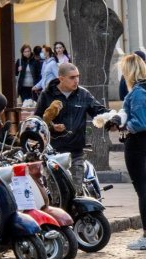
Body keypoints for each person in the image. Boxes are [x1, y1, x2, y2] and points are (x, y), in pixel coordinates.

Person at [106, 54, 146, 250]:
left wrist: (121, 127)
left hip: (137, 142)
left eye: (123, 70)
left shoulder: (138, 93)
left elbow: (139, 122)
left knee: (143, 191)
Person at [34, 63, 110, 193]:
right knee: (56, 194)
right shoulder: (47, 94)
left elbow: (99, 111)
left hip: (75, 153)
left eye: (78, 77)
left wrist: (114, 119)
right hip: (53, 154)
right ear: (61, 78)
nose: (76, 80)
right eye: (72, 77)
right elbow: (38, 120)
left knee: (76, 192)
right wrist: (52, 127)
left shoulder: (83, 94)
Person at [119, 50, 146, 184]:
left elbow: (140, 123)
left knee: (143, 188)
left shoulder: (138, 92)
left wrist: (124, 126)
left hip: (139, 138)